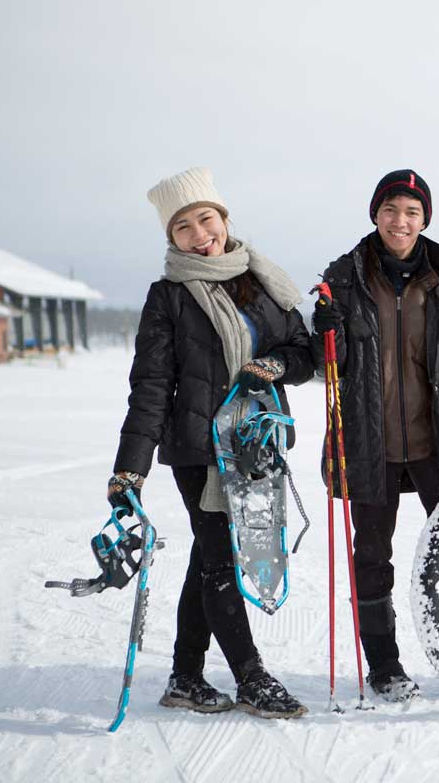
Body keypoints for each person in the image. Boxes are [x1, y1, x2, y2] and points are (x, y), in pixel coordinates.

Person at [109, 167, 313, 719]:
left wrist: (275, 364)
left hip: (254, 443)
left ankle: (185, 675)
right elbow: (150, 387)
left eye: (206, 219)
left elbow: (304, 351)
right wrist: (130, 469)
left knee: (209, 554)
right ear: (170, 238)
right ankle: (250, 677)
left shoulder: (260, 282)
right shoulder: (168, 297)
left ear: (223, 219)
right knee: (222, 557)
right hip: (199, 449)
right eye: (183, 227)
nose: (200, 235)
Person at [310, 169, 439, 702]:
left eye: (411, 212)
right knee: (372, 555)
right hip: (371, 439)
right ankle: (384, 665)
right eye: (391, 210)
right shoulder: (344, 276)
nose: (400, 221)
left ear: (425, 218)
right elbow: (323, 364)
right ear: (375, 216)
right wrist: (324, 329)